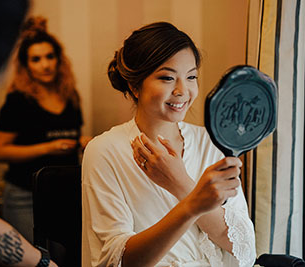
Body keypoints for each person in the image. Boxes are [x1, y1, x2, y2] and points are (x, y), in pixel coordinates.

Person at [82, 22, 256, 267]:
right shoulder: (104, 151)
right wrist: (192, 204)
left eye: (191, 77)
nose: (182, 91)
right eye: (167, 78)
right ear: (134, 86)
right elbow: (119, 261)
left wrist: (181, 184)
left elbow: (241, 245)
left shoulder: (212, 142)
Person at [0, 16, 91, 243]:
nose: (45, 64)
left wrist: (83, 143)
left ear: (59, 59)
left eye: (50, 56)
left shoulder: (70, 96)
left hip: (65, 190)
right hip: (23, 195)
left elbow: (73, 137)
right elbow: (1, 151)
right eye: (36, 59)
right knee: (37, 256)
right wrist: (48, 148)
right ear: (26, 65)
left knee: (66, 254)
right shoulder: (17, 101)